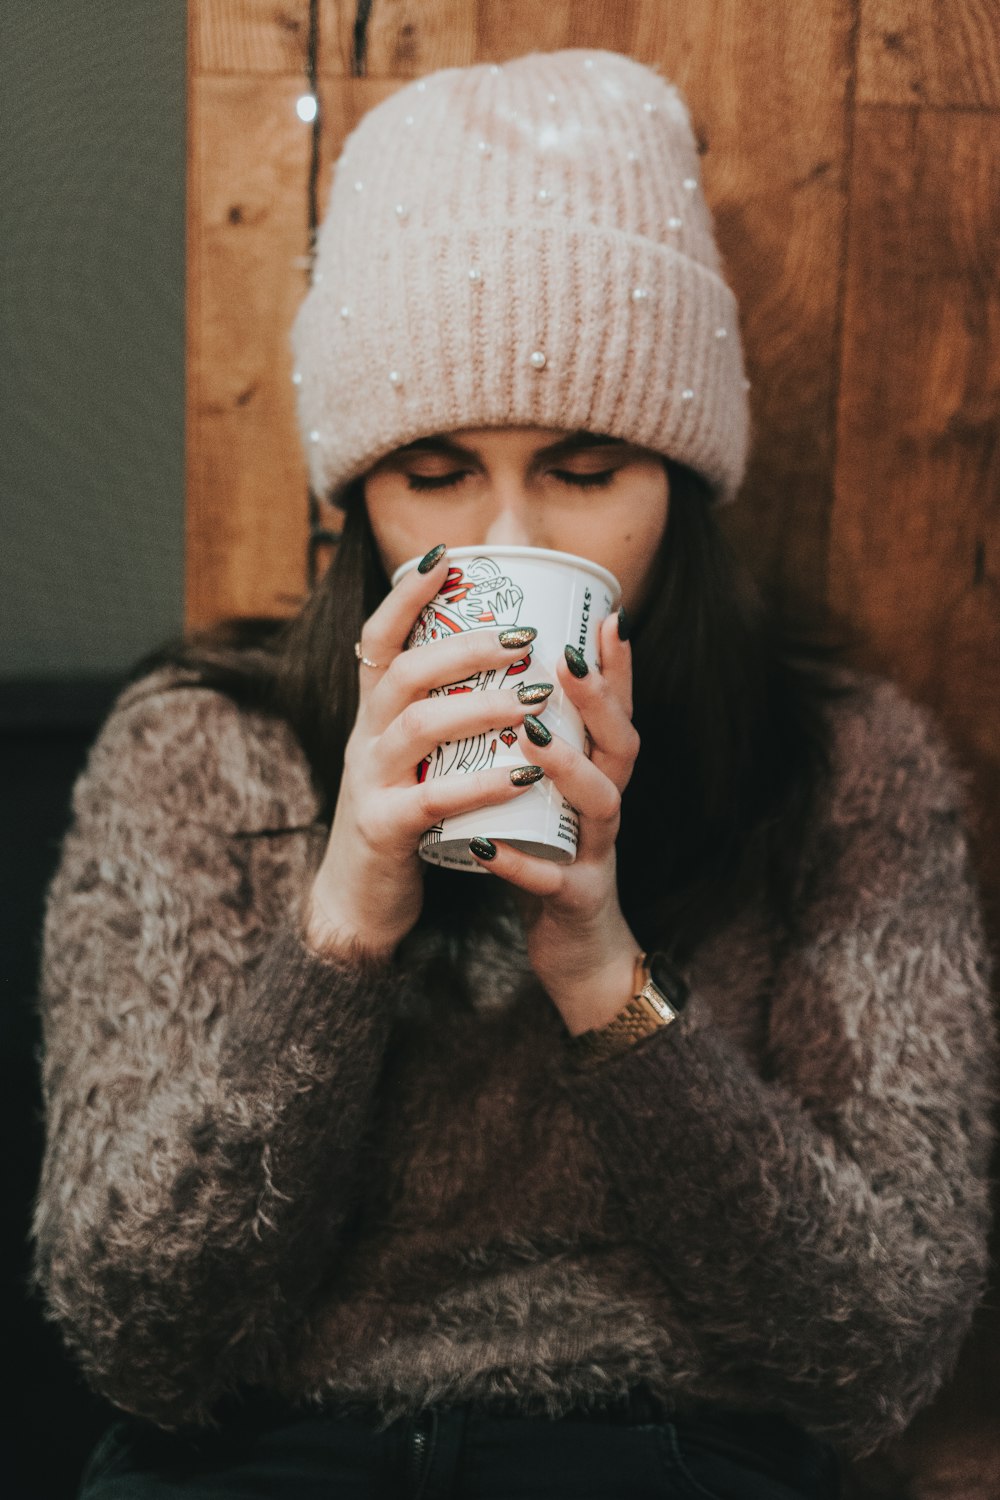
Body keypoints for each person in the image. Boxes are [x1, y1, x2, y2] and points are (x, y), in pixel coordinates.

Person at [32, 49, 995, 1500]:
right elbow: (138, 1337)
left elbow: (872, 1353)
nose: (502, 534)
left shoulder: (845, 764)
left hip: (661, 1455)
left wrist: (604, 974)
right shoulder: (197, 747)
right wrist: (343, 926)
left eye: (586, 464)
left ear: (682, 479)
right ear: (356, 497)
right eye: (433, 469)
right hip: (264, 1455)